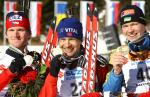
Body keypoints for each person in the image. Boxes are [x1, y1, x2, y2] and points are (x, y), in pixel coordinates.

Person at [38, 17, 111, 97]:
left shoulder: (95, 64)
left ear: (80, 40)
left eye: (72, 39)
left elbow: (109, 91)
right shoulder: (52, 65)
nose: (67, 44)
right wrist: (52, 76)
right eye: (63, 39)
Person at [103, 4, 150, 97]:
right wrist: (116, 73)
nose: (130, 30)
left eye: (134, 24)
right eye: (125, 26)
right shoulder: (119, 53)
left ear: (144, 25)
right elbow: (108, 93)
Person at [0, 11, 41, 97]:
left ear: (29, 34)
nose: (15, 34)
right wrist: (10, 71)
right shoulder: (3, 63)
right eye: (11, 30)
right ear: (6, 34)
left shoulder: (36, 61)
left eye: (20, 30)